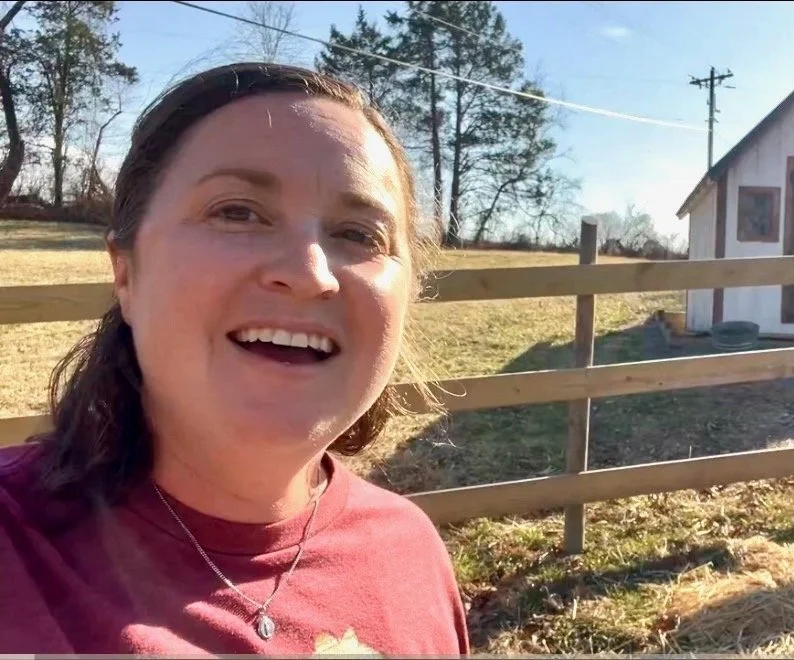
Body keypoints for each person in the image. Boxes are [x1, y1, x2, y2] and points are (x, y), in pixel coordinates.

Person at [0, 62, 470, 656]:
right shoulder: (16, 552)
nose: (309, 274)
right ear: (126, 274)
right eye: (237, 211)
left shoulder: (410, 556)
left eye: (359, 234)